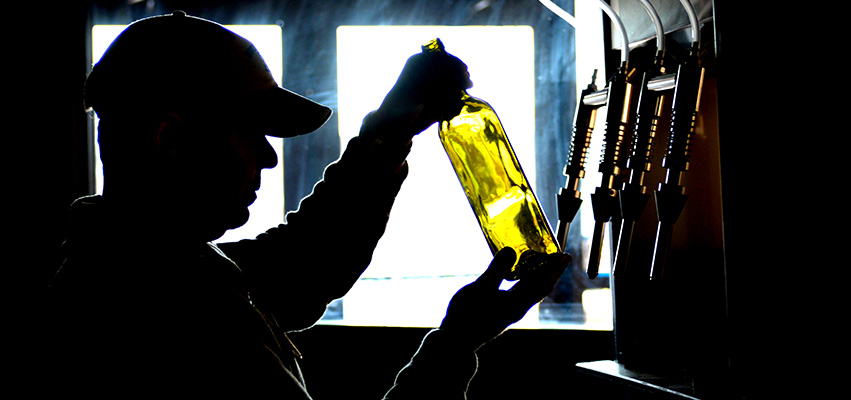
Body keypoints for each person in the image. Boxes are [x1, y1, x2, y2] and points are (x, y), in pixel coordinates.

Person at [47, 12, 570, 398]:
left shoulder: (169, 269)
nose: (270, 159)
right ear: (171, 139)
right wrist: (455, 345)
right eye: (252, 132)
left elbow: (305, 261)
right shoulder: (158, 313)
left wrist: (386, 134)